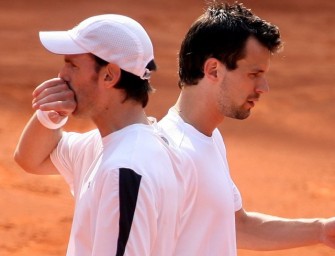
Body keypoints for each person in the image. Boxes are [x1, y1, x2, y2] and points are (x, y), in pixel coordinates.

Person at [158, 2, 335, 255]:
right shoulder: (170, 154)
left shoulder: (208, 138)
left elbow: (237, 225)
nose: (264, 87)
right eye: (254, 74)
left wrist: (321, 230)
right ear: (213, 70)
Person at [14, 14, 182, 256]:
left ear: (109, 75)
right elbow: (30, 159)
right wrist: (52, 115)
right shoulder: (106, 145)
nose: (62, 75)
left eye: (72, 65)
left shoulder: (125, 167)